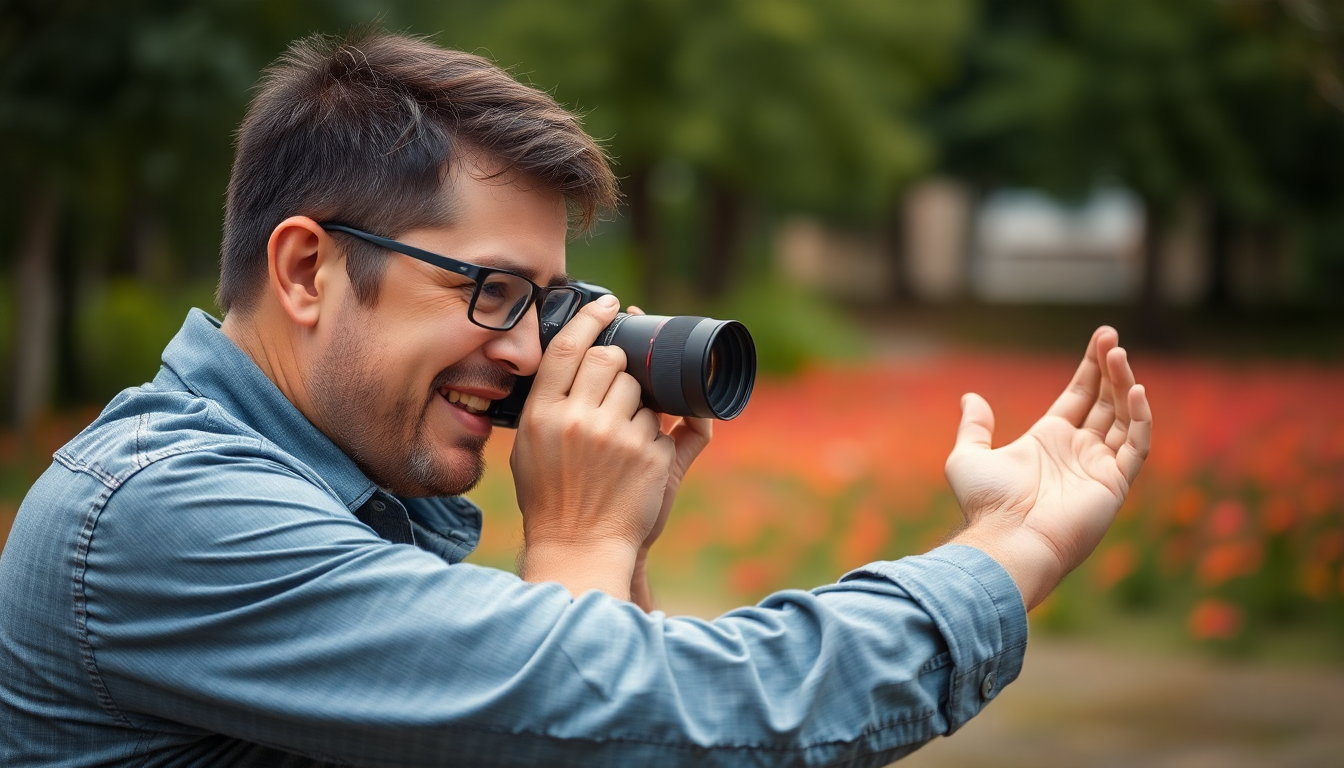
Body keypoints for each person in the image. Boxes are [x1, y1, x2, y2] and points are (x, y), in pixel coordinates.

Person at [0, 30, 1151, 767]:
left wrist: (614, 557)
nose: (528, 351)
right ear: (307, 270)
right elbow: (617, 726)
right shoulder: (168, 518)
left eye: (551, 302)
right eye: (493, 290)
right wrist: (1010, 554)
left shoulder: (342, 497)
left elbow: (641, 721)